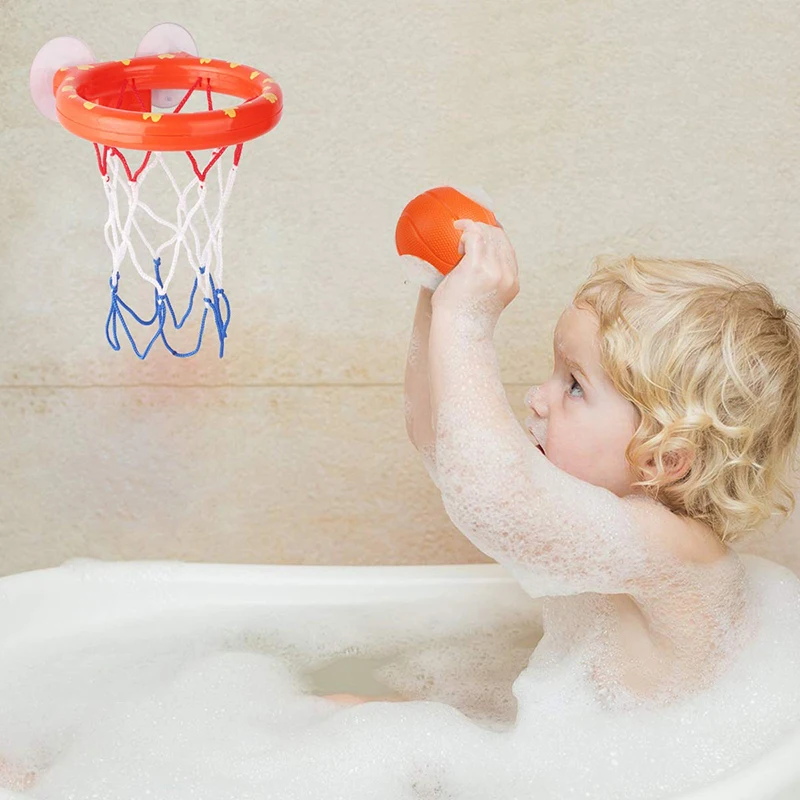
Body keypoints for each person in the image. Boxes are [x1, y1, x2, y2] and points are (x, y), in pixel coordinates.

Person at [404, 220, 800, 705]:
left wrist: (466, 321)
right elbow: (443, 445)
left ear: (663, 456)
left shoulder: (675, 548)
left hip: (636, 770)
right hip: (577, 746)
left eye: (574, 385)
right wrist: (437, 296)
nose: (536, 399)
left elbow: (497, 501)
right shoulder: (595, 514)